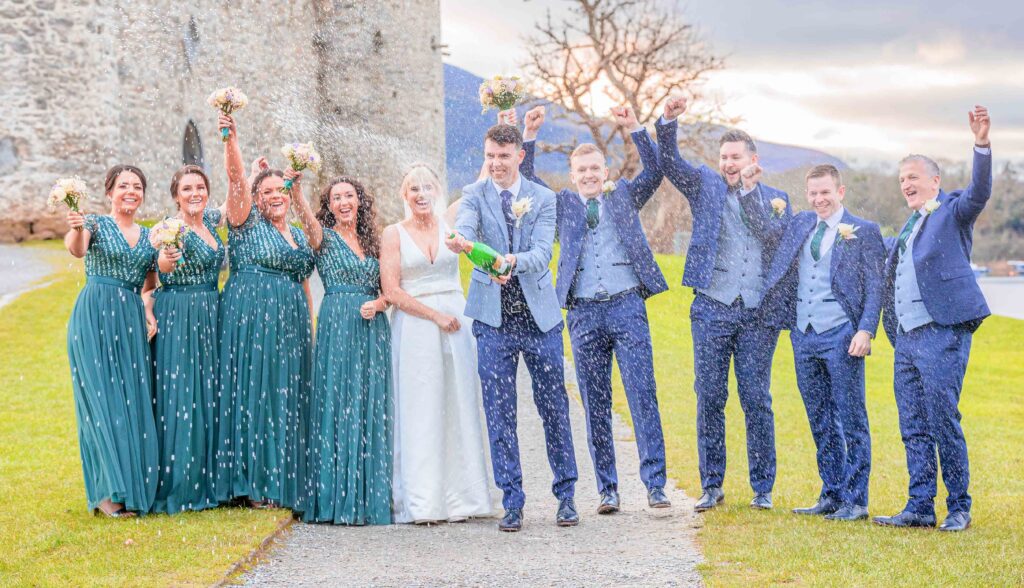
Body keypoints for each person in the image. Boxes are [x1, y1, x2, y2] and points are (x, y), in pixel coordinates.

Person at [517, 104, 671, 514]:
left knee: (643, 395)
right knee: (595, 401)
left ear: (605, 171)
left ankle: (655, 485)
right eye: (581, 171)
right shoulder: (563, 204)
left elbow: (655, 172)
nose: (588, 176)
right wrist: (528, 135)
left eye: (594, 169)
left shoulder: (623, 195)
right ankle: (608, 489)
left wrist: (636, 128)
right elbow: (527, 182)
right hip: (582, 314)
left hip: (627, 307)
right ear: (572, 176)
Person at [657, 96, 791, 511]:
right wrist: (668, 121)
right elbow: (670, 163)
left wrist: (751, 192)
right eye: (724, 157)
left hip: (757, 313)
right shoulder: (705, 185)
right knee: (710, 395)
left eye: (735, 156)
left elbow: (771, 237)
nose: (728, 163)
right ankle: (712, 485)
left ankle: (762, 489)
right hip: (712, 307)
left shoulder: (777, 197)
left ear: (753, 159)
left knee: (756, 397)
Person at [446, 123, 579, 532]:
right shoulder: (473, 196)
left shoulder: (543, 197)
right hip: (493, 321)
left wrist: (510, 263)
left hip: (539, 319)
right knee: (499, 411)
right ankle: (513, 500)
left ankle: (567, 496)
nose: (496, 163)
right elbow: (465, 231)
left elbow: (541, 254)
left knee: (554, 407)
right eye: (490, 156)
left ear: (519, 156)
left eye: (503, 156)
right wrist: (463, 244)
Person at [874, 105, 993, 533]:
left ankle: (958, 506)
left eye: (913, 177)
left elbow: (980, 191)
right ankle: (920, 505)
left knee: (943, 419)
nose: (906, 184)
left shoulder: (954, 210)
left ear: (935, 182)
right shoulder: (906, 229)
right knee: (912, 423)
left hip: (942, 333)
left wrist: (980, 144)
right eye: (902, 179)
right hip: (904, 340)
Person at [762, 164, 884, 521]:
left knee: (851, 417)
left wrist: (866, 329)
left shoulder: (864, 231)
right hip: (804, 334)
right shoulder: (800, 223)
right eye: (813, 193)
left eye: (825, 192)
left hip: (843, 333)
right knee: (820, 418)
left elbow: (876, 286)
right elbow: (770, 237)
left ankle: (857, 500)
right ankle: (831, 493)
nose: (819, 199)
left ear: (841, 191)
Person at [213, 113, 315, 511]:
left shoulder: (298, 234)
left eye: (281, 189)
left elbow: (304, 280)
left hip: (290, 322)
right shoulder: (244, 222)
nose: (275, 195)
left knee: (283, 393)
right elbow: (237, 179)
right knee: (254, 392)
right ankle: (253, 483)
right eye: (267, 190)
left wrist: (309, 322)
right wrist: (230, 141)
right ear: (256, 198)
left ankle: (282, 476)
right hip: (251, 316)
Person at [380, 163, 493, 524]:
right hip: (415, 327)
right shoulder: (393, 233)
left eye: (427, 187)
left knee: (458, 403)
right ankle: (422, 501)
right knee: (420, 408)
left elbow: (480, 181)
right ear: (404, 195)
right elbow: (392, 290)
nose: (421, 194)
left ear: (437, 190)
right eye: (413, 188)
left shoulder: (450, 222)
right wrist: (434, 316)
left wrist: (503, 115)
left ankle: (465, 498)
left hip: (457, 324)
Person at [290, 171, 393, 525]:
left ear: (359, 201)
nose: (344, 202)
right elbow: (304, 217)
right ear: (329, 205)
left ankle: (368, 496)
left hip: (372, 328)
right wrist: (296, 187)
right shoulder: (323, 238)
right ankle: (336, 496)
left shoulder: (375, 242)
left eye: (349, 196)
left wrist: (378, 305)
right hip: (337, 322)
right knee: (338, 401)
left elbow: (390, 291)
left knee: (369, 402)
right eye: (337, 198)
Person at [64, 164, 159, 517]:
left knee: (129, 403)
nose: (130, 191)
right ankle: (107, 494)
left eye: (137, 186)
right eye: (123, 186)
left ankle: (129, 485)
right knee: (100, 404)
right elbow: (77, 249)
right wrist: (75, 228)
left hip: (131, 320)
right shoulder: (94, 224)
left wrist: (148, 310)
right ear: (110, 193)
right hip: (94, 315)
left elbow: (150, 285)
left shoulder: (151, 236)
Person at [149, 165, 225, 514]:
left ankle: (211, 477)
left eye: (200, 187)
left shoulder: (209, 221)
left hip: (212, 312)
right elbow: (161, 266)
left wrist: (253, 175)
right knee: (182, 395)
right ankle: (181, 484)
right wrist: (167, 257)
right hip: (180, 313)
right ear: (175, 195)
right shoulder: (169, 228)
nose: (195, 193)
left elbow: (233, 205)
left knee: (209, 394)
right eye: (187, 189)